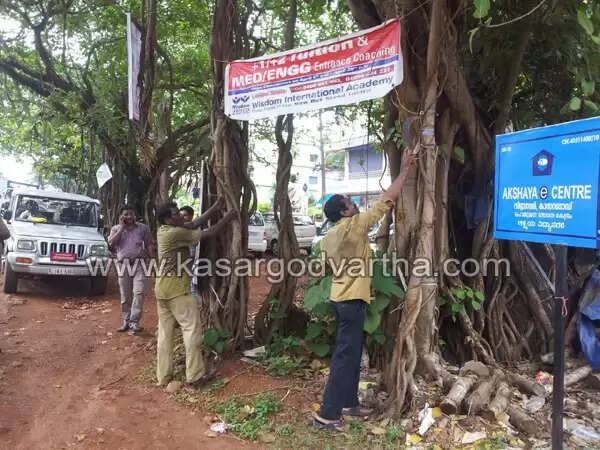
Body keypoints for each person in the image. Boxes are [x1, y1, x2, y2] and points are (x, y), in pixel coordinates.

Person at [313, 150, 416, 432]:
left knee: (352, 353)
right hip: (351, 301)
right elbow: (386, 200)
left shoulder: (328, 237)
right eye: (350, 202)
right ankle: (327, 414)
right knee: (344, 358)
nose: (355, 203)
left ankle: (348, 403)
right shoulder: (355, 226)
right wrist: (405, 169)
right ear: (344, 212)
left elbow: (323, 268)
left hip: (341, 298)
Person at [155, 200, 234, 388]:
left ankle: (163, 376)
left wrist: (215, 208)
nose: (180, 216)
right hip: (178, 292)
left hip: (162, 291)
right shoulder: (175, 233)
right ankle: (195, 376)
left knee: (165, 336)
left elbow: (192, 223)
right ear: (168, 219)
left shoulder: (164, 230)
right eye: (176, 214)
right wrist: (228, 217)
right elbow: (209, 232)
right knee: (192, 331)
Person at [107, 205, 155, 333]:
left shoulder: (143, 228)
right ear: (121, 216)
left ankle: (134, 322)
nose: (129, 217)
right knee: (125, 295)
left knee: (139, 292)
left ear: (134, 215)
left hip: (140, 264)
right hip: (123, 265)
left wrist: (152, 260)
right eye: (126, 214)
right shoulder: (116, 229)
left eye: (131, 214)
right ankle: (126, 321)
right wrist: (122, 228)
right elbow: (111, 243)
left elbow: (149, 244)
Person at [179, 205, 200, 304]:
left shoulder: (194, 229)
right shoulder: (179, 228)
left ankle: (194, 306)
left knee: (191, 286)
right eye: (181, 215)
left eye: (185, 215)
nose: (182, 218)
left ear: (191, 216)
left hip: (191, 261)